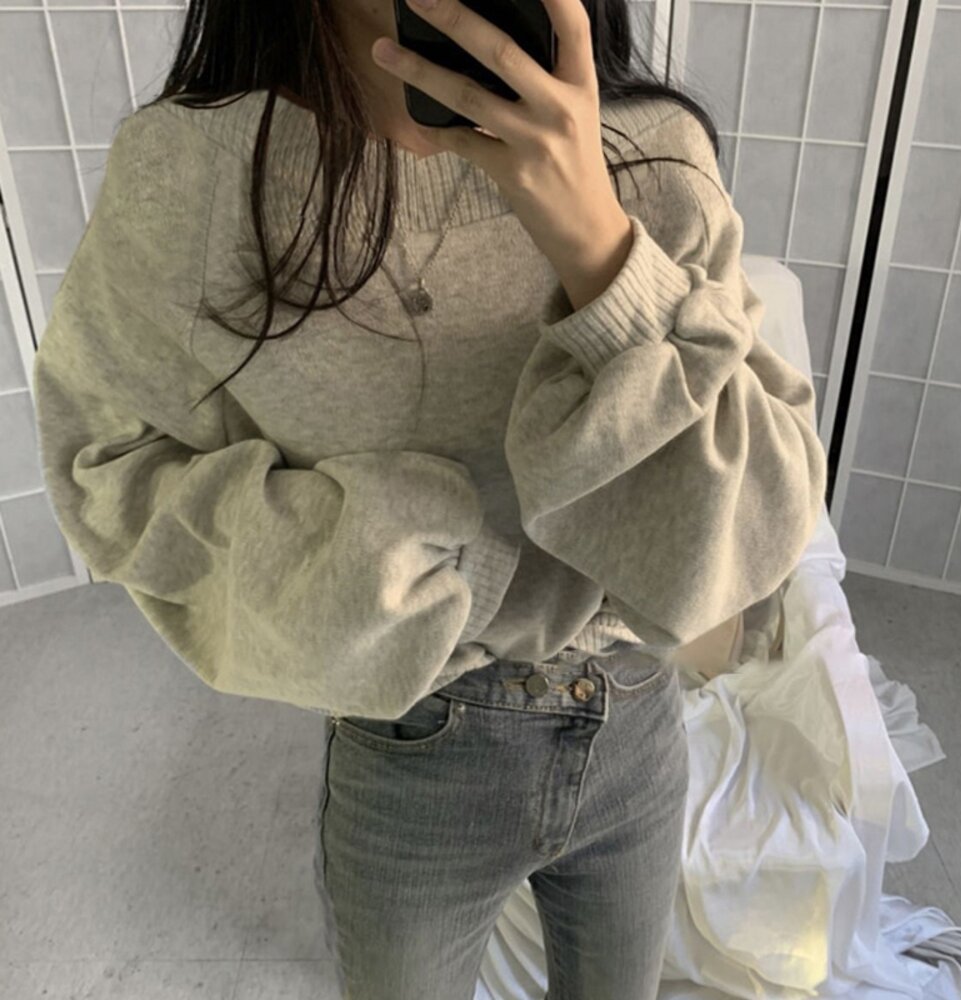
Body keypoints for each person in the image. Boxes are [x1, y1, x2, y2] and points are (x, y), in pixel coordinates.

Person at [30, 0, 828, 995]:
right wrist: (379, 560)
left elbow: (753, 536)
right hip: (410, 746)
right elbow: (106, 463)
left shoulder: (656, 155)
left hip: (635, 721)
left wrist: (601, 255)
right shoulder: (190, 176)